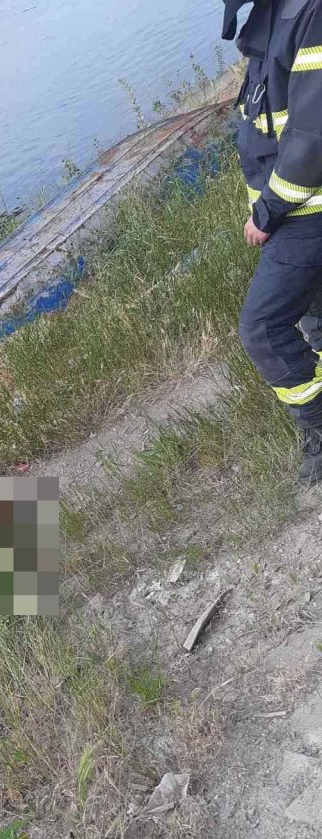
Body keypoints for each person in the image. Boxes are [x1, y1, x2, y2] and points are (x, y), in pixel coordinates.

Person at [224, 0, 322, 483]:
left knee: (261, 328)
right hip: (291, 215)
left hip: (304, 214)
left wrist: (266, 212)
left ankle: (319, 430)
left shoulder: (312, 13)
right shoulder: (275, 12)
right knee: (317, 321)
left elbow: (312, 138)